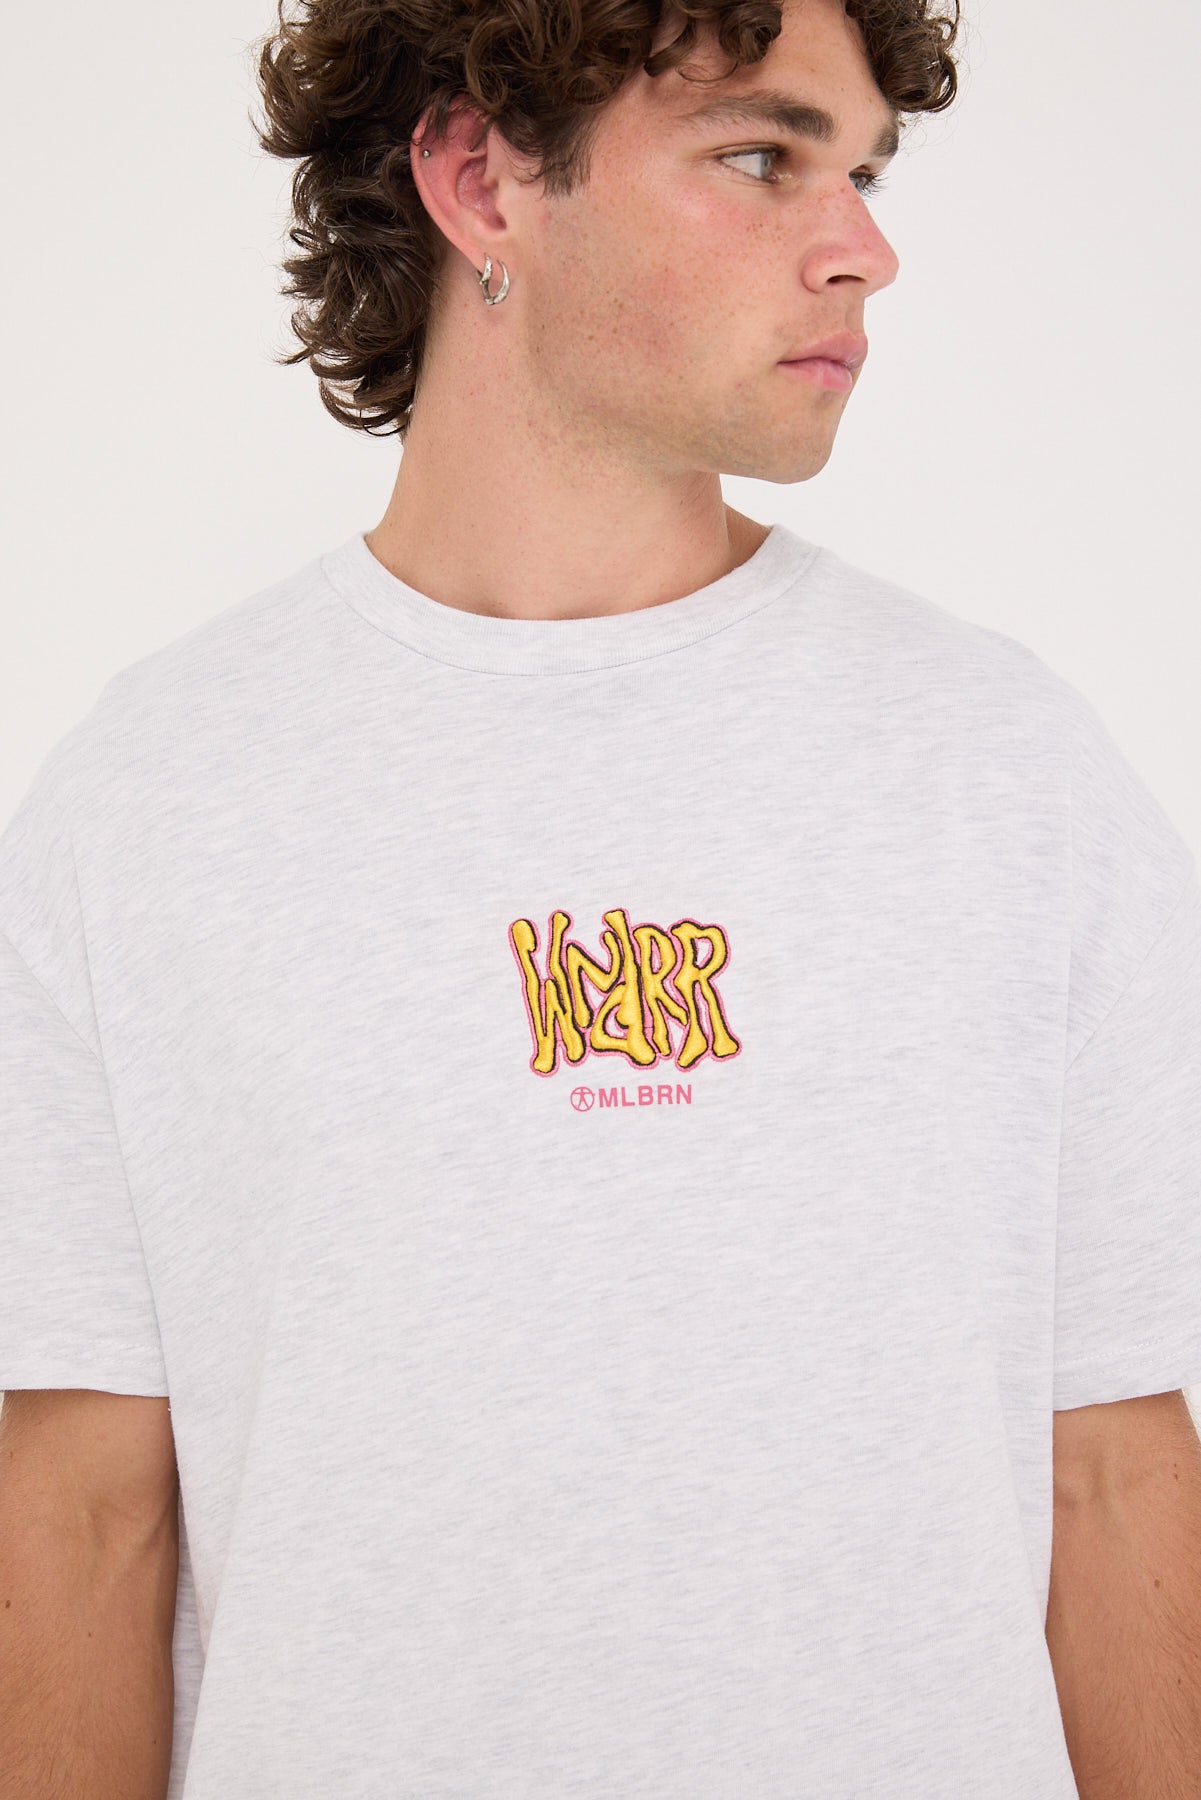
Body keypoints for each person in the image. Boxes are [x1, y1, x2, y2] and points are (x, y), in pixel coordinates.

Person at [2, 0, 1200, 1796]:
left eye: (863, 173)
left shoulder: (1007, 772)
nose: (862, 249)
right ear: (482, 178)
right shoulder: (145, 803)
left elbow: (1113, 1471)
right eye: (761, 155)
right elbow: (84, 1512)